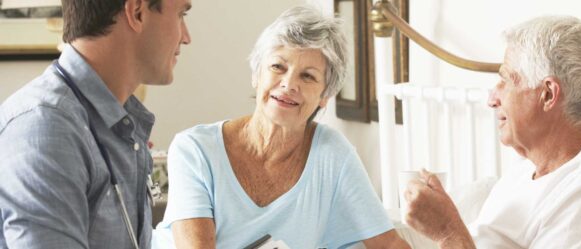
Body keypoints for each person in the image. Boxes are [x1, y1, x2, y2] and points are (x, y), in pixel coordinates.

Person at [151, 6, 409, 249]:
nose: (288, 84)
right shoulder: (195, 149)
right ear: (256, 74)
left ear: (324, 96)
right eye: (278, 67)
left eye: (307, 76)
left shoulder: (333, 155)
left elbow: (389, 244)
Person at [403, 16, 581, 249]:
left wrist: (448, 232)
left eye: (506, 81)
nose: (492, 99)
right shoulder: (526, 170)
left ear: (548, 95)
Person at [0, 0, 191, 248]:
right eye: (180, 15)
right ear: (137, 12)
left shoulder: (120, 125)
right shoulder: (46, 130)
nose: (186, 37)